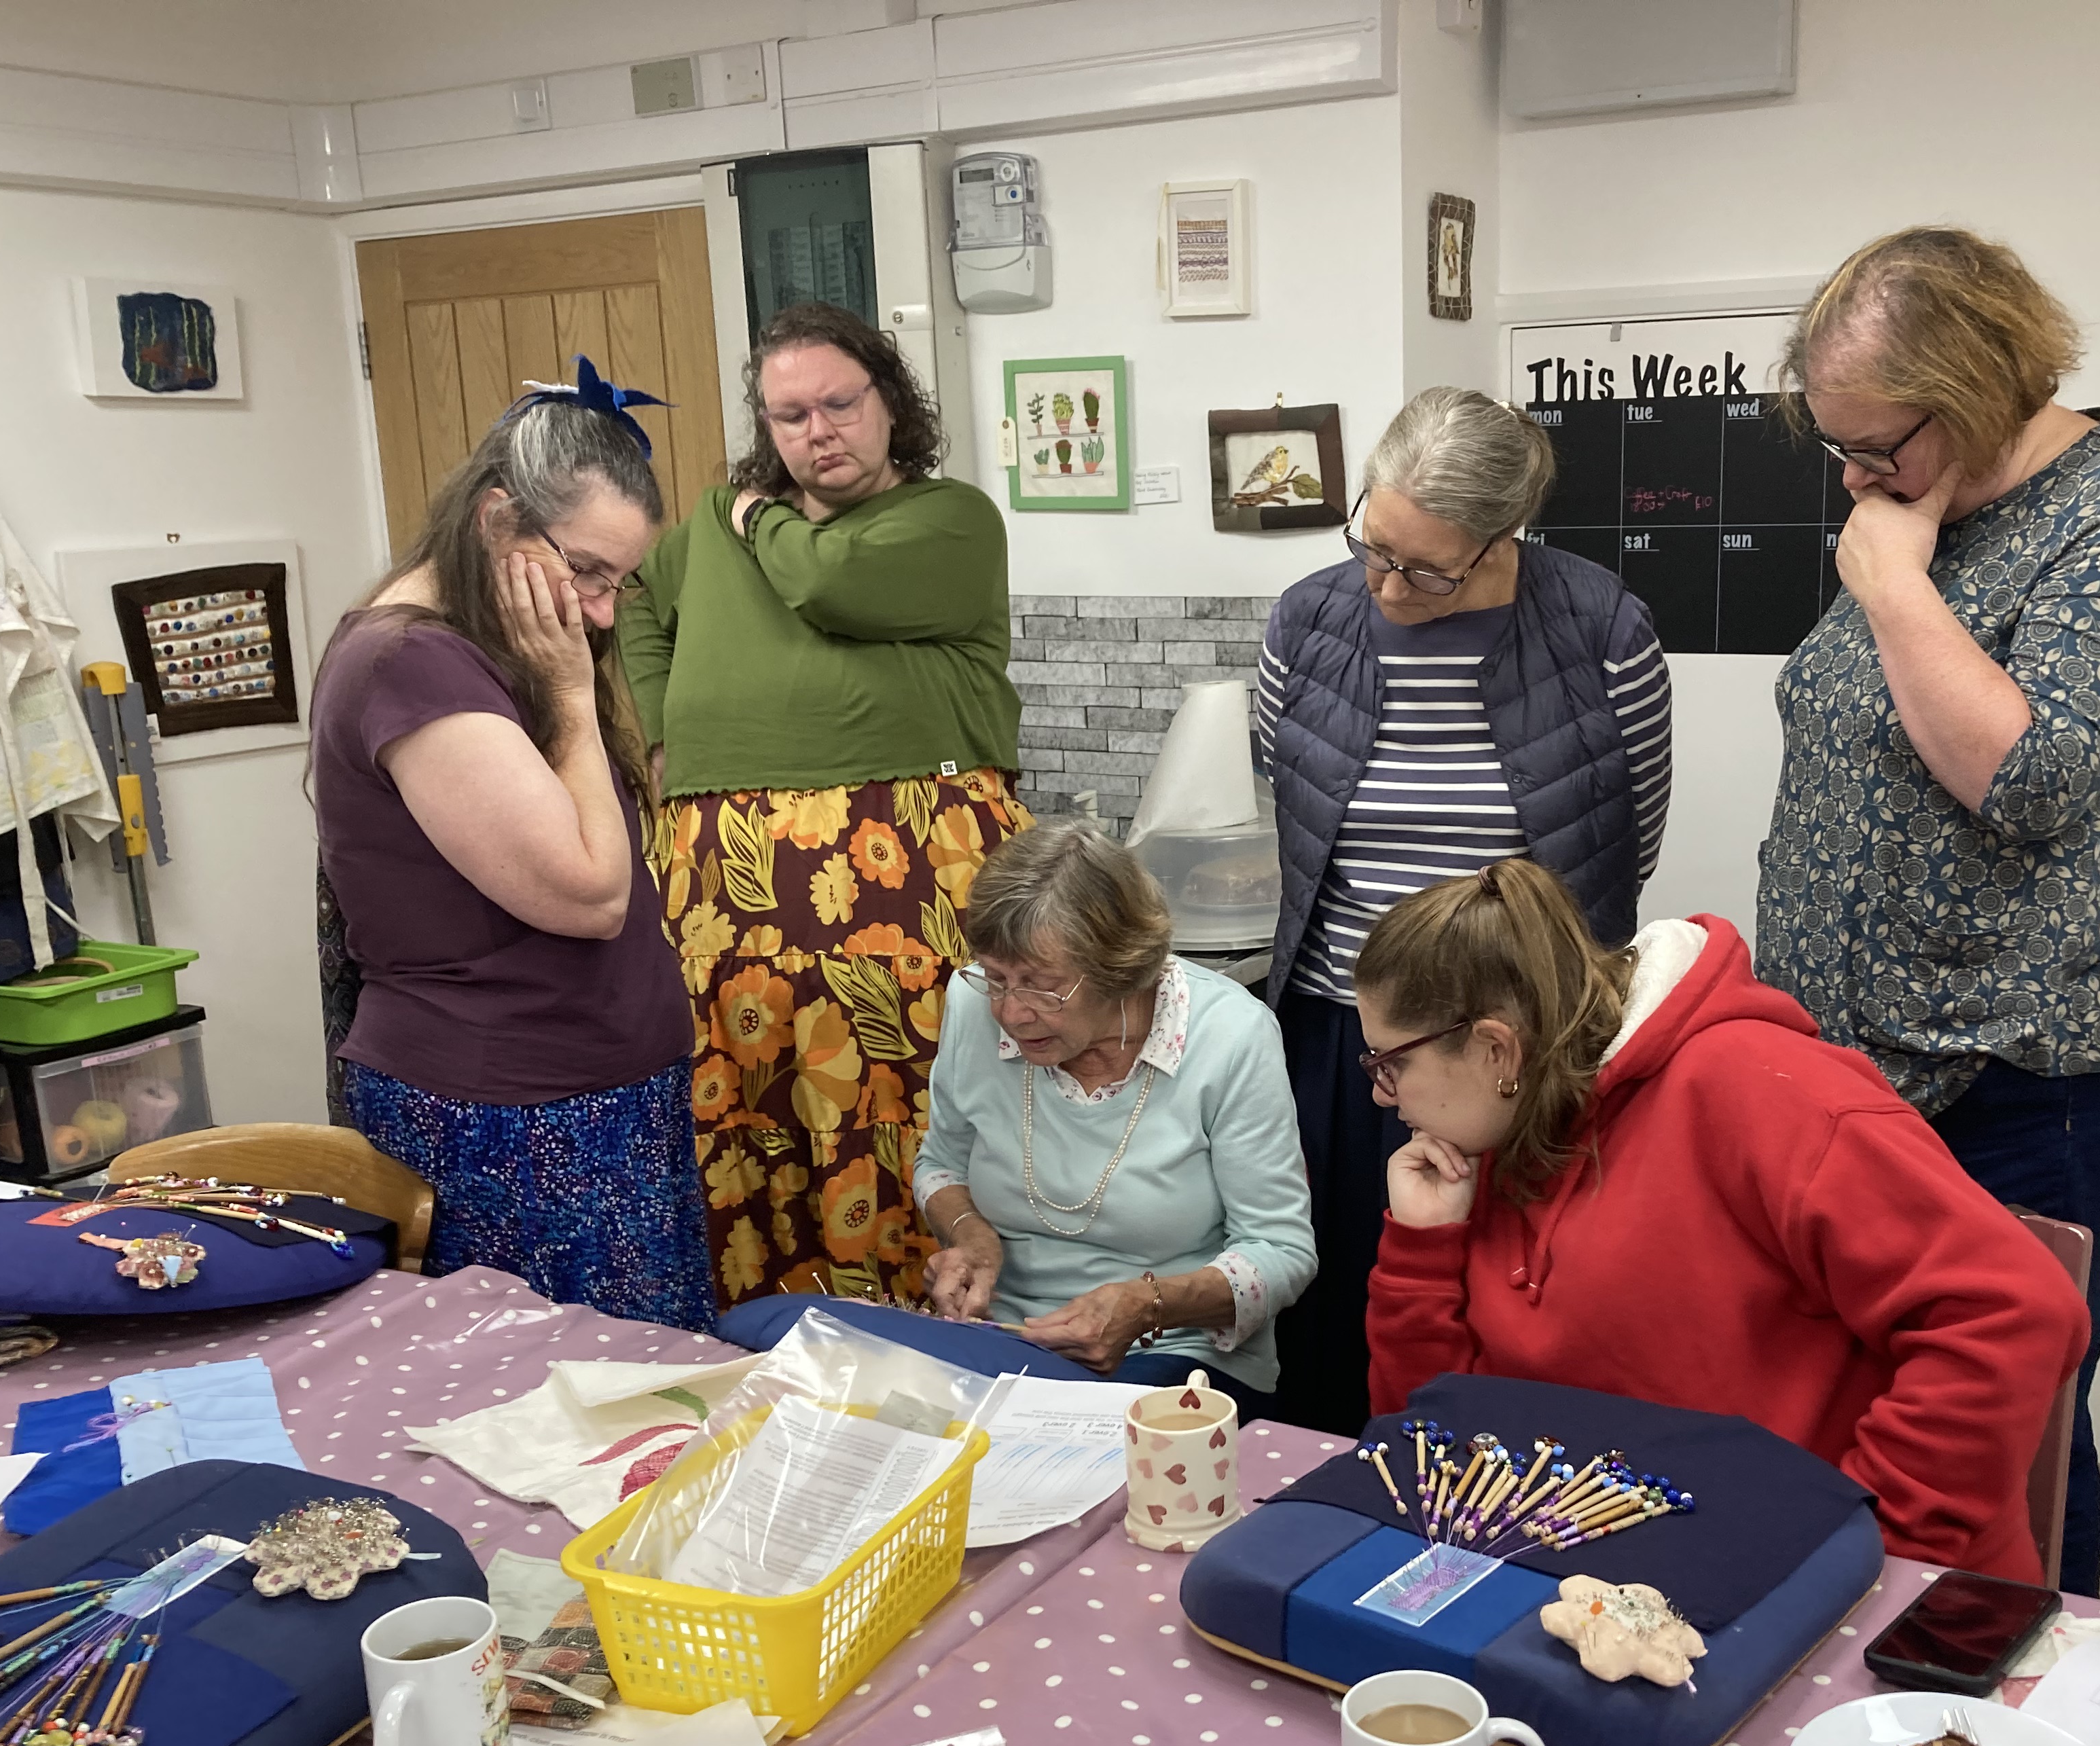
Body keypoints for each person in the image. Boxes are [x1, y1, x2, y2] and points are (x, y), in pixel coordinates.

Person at [1758, 226, 2100, 1595]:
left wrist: (1891, 584)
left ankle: (2015, 1712)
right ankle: (1878, 1701)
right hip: (1860, 1070)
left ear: (1980, 386)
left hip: (2024, 1074)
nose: (1855, 480)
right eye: (1837, 450)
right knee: (1877, 1420)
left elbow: (2029, 780)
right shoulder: (1920, 509)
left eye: (1877, 444)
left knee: (2009, 1435)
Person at [1360, 860, 2087, 1584]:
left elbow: (2013, 1312)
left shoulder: (1763, 1091)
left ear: (1497, 1050)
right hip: (1624, 1570)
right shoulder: (1497, 1129)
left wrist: (1865, 1549)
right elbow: (1427, 1452)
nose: (1383, 1097)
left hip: (1839, 1593)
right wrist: (1423, 1255)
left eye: (1391, 1064)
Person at [1256, 386, 1669, 1436]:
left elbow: (1626, 843)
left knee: (1519, 1307)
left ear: (1502, 541)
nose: (1388, 586)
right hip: (1345, 1040)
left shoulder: (1601, 629)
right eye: (1374, 547)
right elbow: (1295, 822)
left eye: (1426, 569)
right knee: (1347, 1306)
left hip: (1520, 1054)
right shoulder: (1307, 623)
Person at [619, 302, 1024, 1317]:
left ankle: (936, 1343)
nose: (817, 432)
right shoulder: (702, 531)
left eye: (840, 404)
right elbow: (633, 603)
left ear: (891, 403)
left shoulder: (949, 518)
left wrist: (758, 514)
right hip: (724, 876)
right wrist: (664, 726)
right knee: (741, 1102)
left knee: (904, 1102)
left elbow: (826, 584)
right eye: (789, 414)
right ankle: (759, 1344)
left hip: (901, 866)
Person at [313, 359, 710, 1331]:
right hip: (513, 1126)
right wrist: (574, 697)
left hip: (587, 1109)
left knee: (647, 1412)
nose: (602, 611)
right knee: (568, 1424)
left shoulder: (477, 650)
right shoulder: (414, 663)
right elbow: (585, 895)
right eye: (584, 572)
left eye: (619, 582)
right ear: (497, 521)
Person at [916, 826, 1316, 1405]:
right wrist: (972, 1238)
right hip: (1002, 1338)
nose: (1010, 1011)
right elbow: (941, 1165)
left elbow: (1281, 1251)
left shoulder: (1229, 1034)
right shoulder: (970, 1002)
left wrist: (1147, 1305)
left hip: (1176, 1352)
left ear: (1121, 968)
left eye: (1042, 986)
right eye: (996, 978)